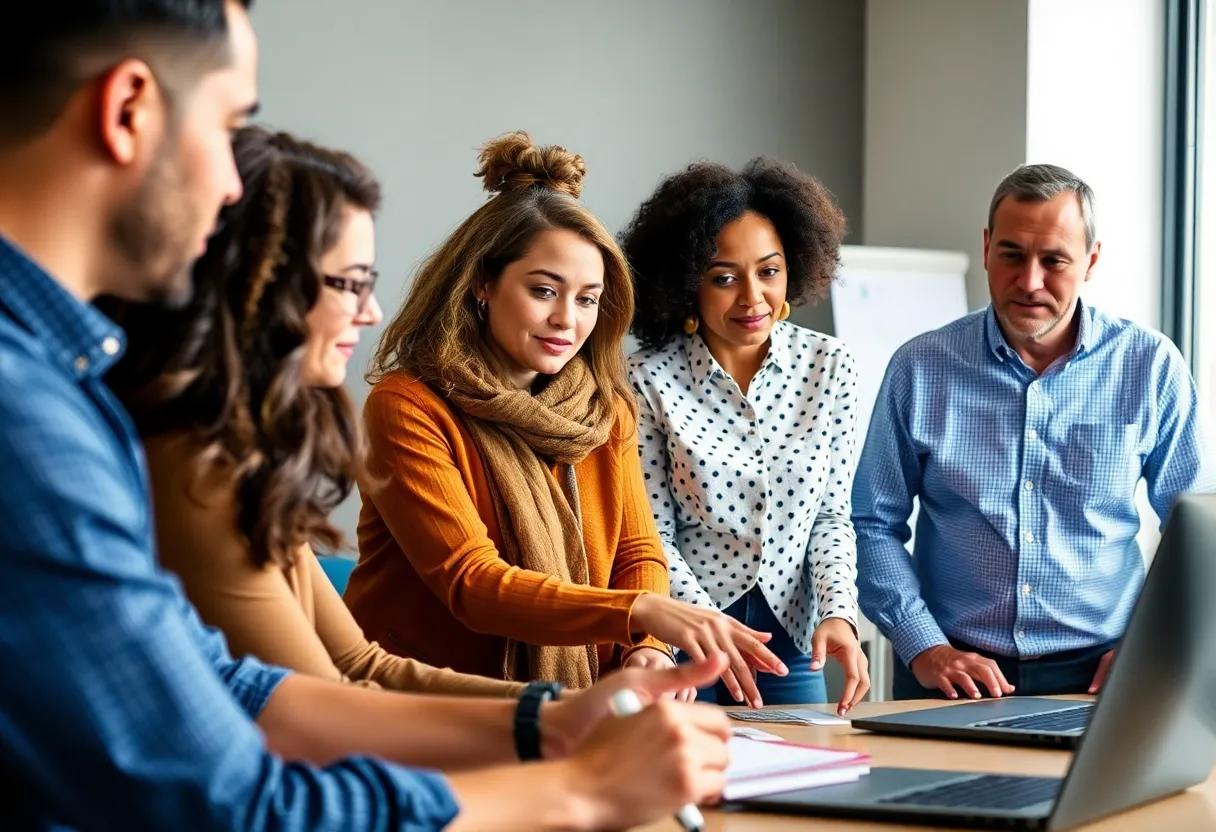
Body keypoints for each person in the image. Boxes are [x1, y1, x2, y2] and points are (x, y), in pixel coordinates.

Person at [0, 3, 735, 829]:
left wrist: (551, 720)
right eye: (227, 121)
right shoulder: (39, 418)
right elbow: (236, 793)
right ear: (128, 109)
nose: (232, 181)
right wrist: (579, 788)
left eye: (589, 298)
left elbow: (268, 686)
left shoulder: (72, 391)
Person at [348, 131, 786, 706]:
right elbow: (471, 584)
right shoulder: (408, 405)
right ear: (482, 283)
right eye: (543, 290)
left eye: (586, 299)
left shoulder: (606, 407)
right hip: (424, 711)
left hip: (580, 708)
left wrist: (648, 647)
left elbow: (638, 552)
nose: (565, 320)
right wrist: (640, 612)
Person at [103, 126, 527, 698]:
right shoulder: (196, 465)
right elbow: (333, 712)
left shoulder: (247, 448)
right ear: (258, 284)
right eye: (350, 284)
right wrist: (551, 725)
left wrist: (570, 708)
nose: (371, 311)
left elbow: (362, 664)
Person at [854, 163, 1214, 702]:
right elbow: (871, 519)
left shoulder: (1150, 366)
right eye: (1012, 255)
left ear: (1091, 261)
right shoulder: (920, 367)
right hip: (949, 672)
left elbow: (1197, 529)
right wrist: (921, 644)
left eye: (1055, 261)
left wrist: (1153, 647)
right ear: (985, 248)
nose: (1029, 282)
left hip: (1106, 677)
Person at [622, 159, 870, 714]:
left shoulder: (831, 368)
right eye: (724, 277)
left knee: (801, 787)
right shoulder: (645, 379)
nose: (752, 298)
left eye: (769, 271)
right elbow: (649, 530)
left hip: (791, 645)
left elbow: (831, 515)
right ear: (687, 281)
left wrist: (838, 613)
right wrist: (702, 625)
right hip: (683, 639)